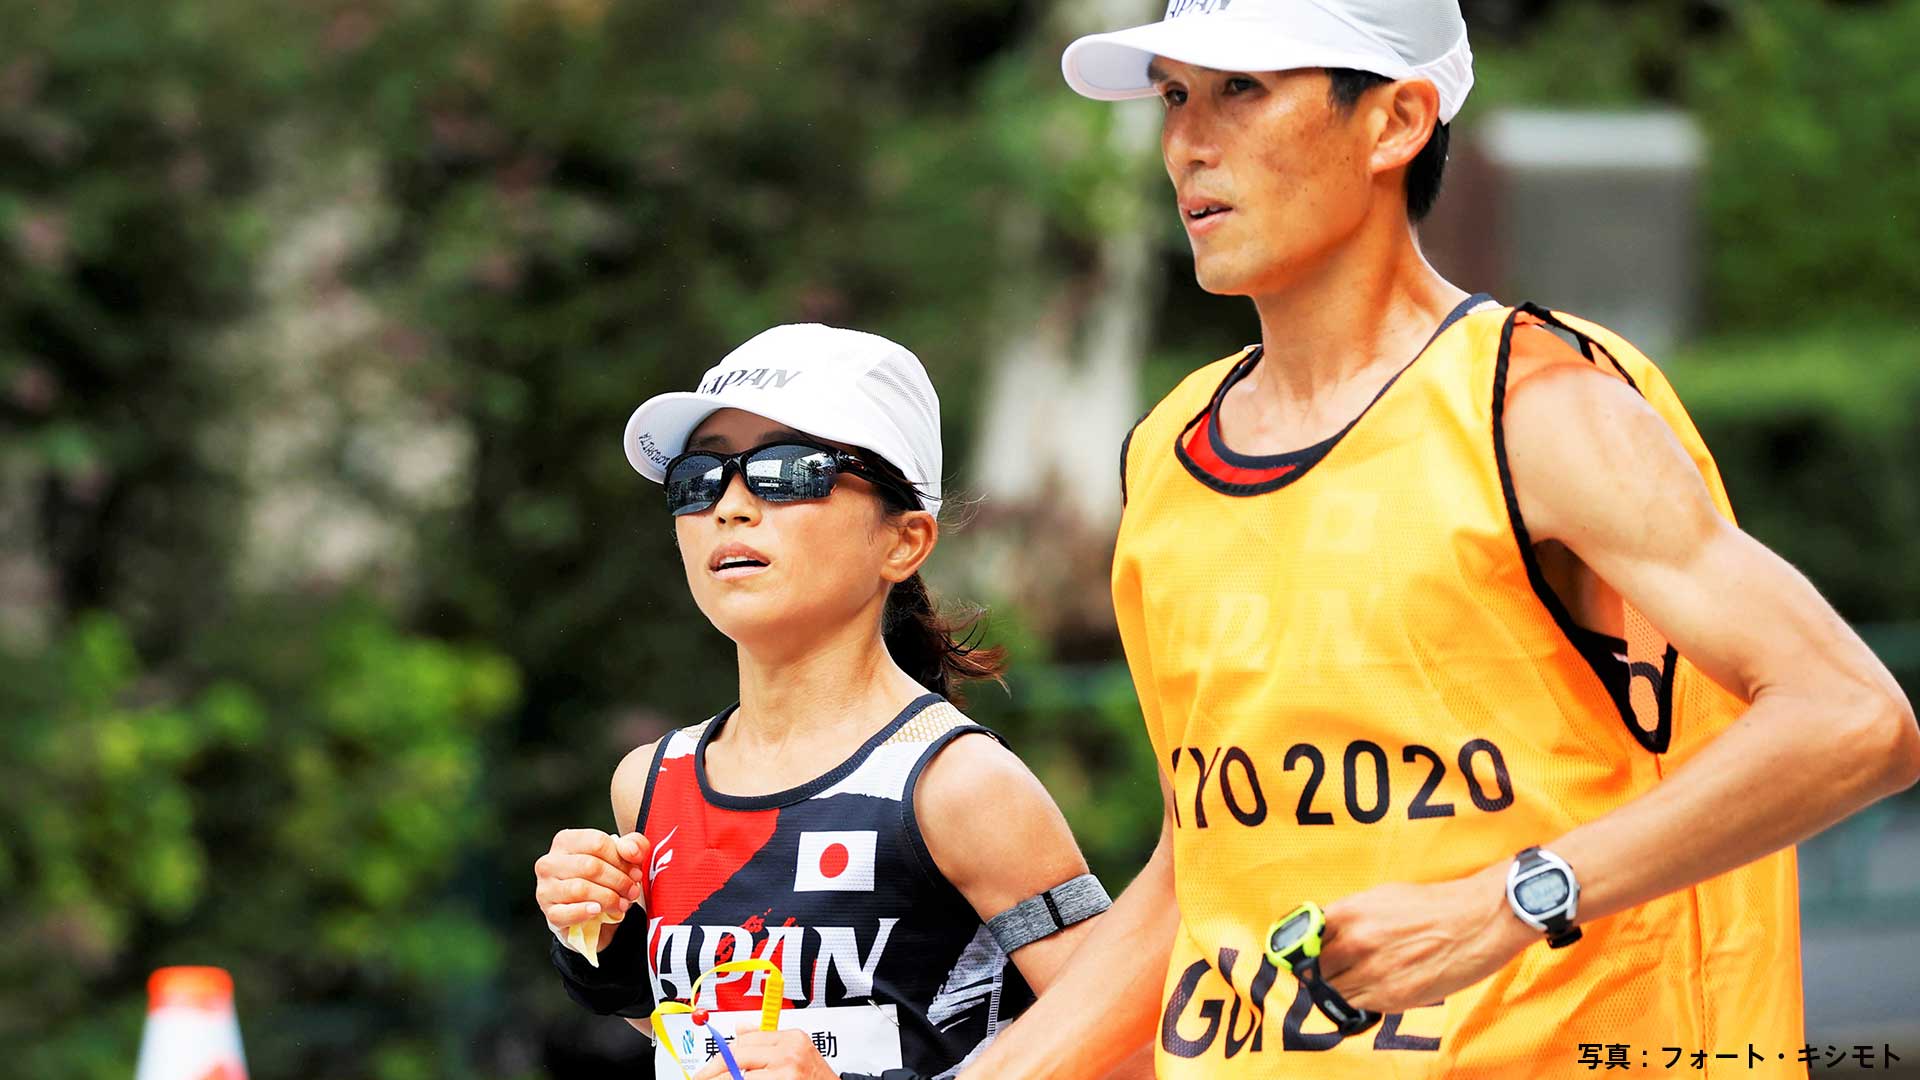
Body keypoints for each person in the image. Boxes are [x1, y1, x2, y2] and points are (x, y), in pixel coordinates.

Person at [957, 1, 1920, 1078]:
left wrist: (1506, 904)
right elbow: (1206, 865)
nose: (1187, 140)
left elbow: (1853, 720)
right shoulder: (1166, 456)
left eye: (1243, 89)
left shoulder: (1537, 410)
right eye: (1175, 94)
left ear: (1396, 121)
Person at [533, 324, 1132, 1080]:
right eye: (699, 476)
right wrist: (599, 937)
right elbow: (689, 1036)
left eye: (787, 471)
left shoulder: (960, 785)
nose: (731, 506)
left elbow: (1134, 1049)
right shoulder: (652, 783)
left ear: (904, 541)